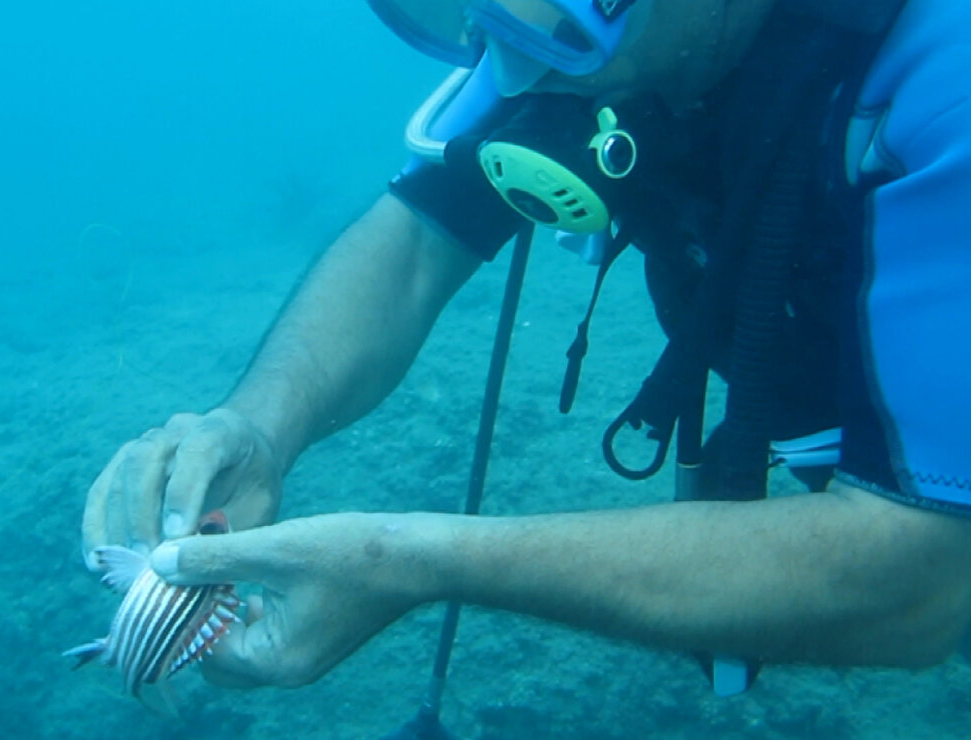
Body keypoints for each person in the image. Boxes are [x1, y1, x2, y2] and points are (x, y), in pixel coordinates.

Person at [80, 0, 971, 691]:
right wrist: (260, 426)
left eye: (564, 18)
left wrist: (417, 559)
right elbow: (418, 243)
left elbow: (925, 582)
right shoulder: (596, 48)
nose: (507, 60)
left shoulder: (944, 78)